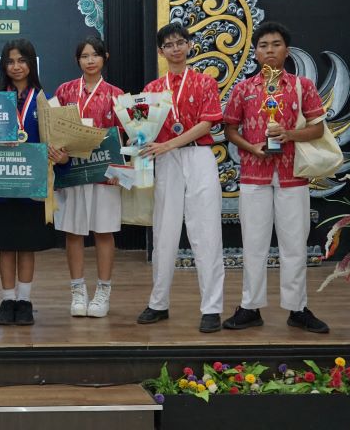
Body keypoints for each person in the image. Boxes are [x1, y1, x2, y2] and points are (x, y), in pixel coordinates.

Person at [221, 22, 329, 333]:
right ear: (255, 52)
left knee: (294, 244)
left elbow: (318, 128)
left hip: (293, 174)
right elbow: (230, 129)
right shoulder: (243, 89)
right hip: (254, 175)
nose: (270, 50)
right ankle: (250, 307)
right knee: (253, 244)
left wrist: (289, 134)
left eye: (276, 44)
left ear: (287, 50)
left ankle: (297, 308)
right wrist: (252, 148)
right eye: (264, 45)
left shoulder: (302, 86)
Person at [137, 23, 226, 333]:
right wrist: (137, 138)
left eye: (179, 42)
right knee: (164, 231)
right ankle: (158, 303)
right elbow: (141, 129)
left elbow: (207, 125)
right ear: (160, 51)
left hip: (199, 156)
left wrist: (168, 144)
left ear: (189, 45)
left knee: (207, 232)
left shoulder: (205, 82)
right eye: (168, 45)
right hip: (166, 161)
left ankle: (212, 308)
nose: (175, 48)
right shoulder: (151, 89)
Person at [0, 39, 57, 326]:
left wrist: (58, 151)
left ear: (31, 64)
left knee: (26, 244)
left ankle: (24, 300)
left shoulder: (45, 100)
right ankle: (7, 300)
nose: (16, 66)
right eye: (10, 61)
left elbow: (56, 141)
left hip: (31, 182)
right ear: (3, 66)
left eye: (22, 60)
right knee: (5, 243)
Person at [50, 36, 124, 319]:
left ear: (105, 57)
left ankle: (103, 292)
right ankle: (78, 291)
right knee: (73, 232)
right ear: (77, 60)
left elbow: (125, 136)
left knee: (104, 231)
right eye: (84, 56)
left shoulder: (117, 94)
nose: (90, 60)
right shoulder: (65, 91)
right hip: (71, 170)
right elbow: (53, 128)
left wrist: (119, 170)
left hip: (103, 172)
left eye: (95, 55)